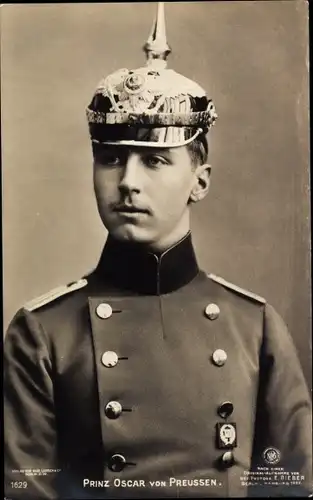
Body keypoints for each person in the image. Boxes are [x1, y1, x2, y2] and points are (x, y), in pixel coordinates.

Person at [4, 3, 312, 499]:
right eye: (110, 158)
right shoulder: (42, 335)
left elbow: (293, 485)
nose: (127, 182)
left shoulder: (255, 328)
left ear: (200, 180)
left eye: (153, 161)